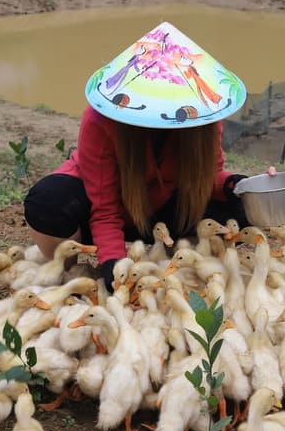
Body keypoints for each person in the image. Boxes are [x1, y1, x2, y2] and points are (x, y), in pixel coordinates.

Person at [23, 21, 251, 286]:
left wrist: (240, 186)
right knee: (49, 202)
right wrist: (113, 268)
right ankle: (67, 273)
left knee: (243, 205)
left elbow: (208, 178)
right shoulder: (101, 121)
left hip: (163, 209)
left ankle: (173, 254)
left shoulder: (203, 119)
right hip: (108, 210)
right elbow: (105, 211)